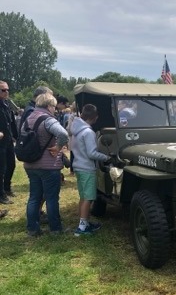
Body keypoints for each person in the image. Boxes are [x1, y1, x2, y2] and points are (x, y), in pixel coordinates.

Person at [23, 92, 69, 236]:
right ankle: (55, 229)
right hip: (48, 165)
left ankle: (32, 229)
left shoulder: (28, 118)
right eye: (54, 107)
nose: (55, 109)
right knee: (51, 198)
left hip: (31, 164)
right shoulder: (49, 120)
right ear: (49, 106)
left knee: (34, 197)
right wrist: (58, 147)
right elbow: (63, 134)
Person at [71, 104, 111, 236]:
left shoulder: (76, 129)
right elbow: (92, 153)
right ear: (95, 117)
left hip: (78, 165)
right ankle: (82, 227)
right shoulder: (88, 132)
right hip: (87, 168)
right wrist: (106, 157)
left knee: (83, 197)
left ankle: (85, 222)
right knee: (89, 197)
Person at [0, 80, 18, 204]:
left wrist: (16, 136)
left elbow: (11, 122)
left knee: (11, 165)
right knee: (1, 169)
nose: (6, 92)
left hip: (8, 141)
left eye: (7, 89)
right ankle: (1, 195)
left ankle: (7, 188)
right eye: (3, 90)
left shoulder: (6, 104)